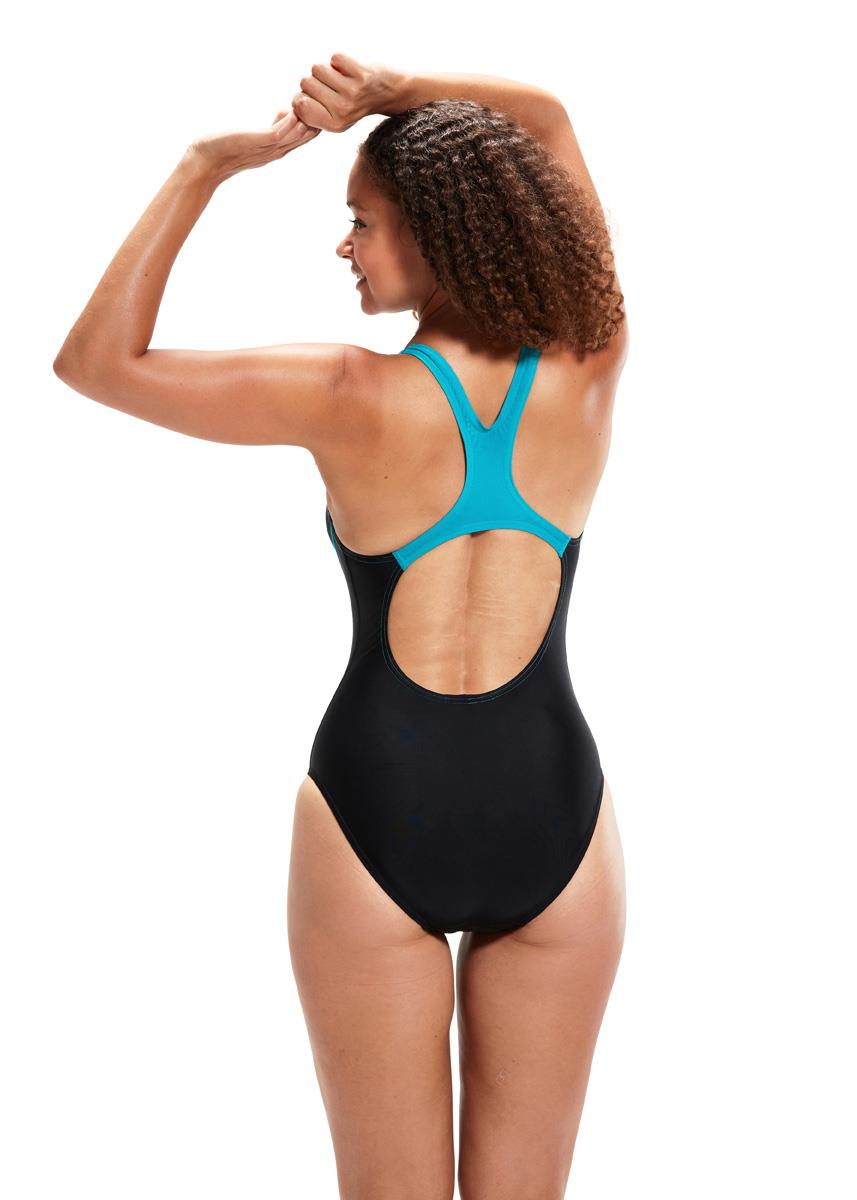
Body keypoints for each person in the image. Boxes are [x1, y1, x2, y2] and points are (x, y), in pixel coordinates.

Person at [53, 53, 629, 1200]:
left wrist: (205, 167)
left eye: (361, 221)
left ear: (437, 234)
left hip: (376, 811)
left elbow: (95, 363)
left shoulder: (341, 395)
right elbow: (550, 117)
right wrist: (397, 91)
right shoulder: (588, 364)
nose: (344, 247)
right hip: (554, 812)